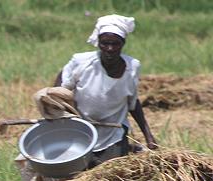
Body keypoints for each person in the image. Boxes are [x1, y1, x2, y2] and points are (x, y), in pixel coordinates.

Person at [53, 14, 157, 167]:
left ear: (123, 43)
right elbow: (59, 88)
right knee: (77, 177)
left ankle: (127, 147)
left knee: (108, 176)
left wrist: (148, 136)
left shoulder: (132, 67)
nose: (110, 49)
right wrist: (59, 112)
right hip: (81, 130)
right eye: (105, 44)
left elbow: (133, 103)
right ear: (98, 43)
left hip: (113, 133)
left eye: (115, 44)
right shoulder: (82, 62)